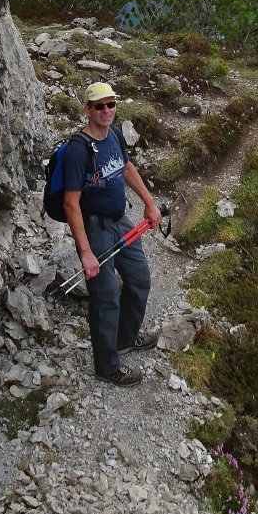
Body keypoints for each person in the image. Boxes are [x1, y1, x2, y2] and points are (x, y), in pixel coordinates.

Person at [62, 81, 162, 385]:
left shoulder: (115, 135)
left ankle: (125, 338)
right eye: (99, 106)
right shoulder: (77, 150)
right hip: (95, 228)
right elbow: (70, 203)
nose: (106, 110)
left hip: (121, 220)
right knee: (106, 297)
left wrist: (149, 203)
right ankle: (106, 367)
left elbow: (127, 168)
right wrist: (86, 252)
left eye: (111, 104)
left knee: (139, 279)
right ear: (87, 110)